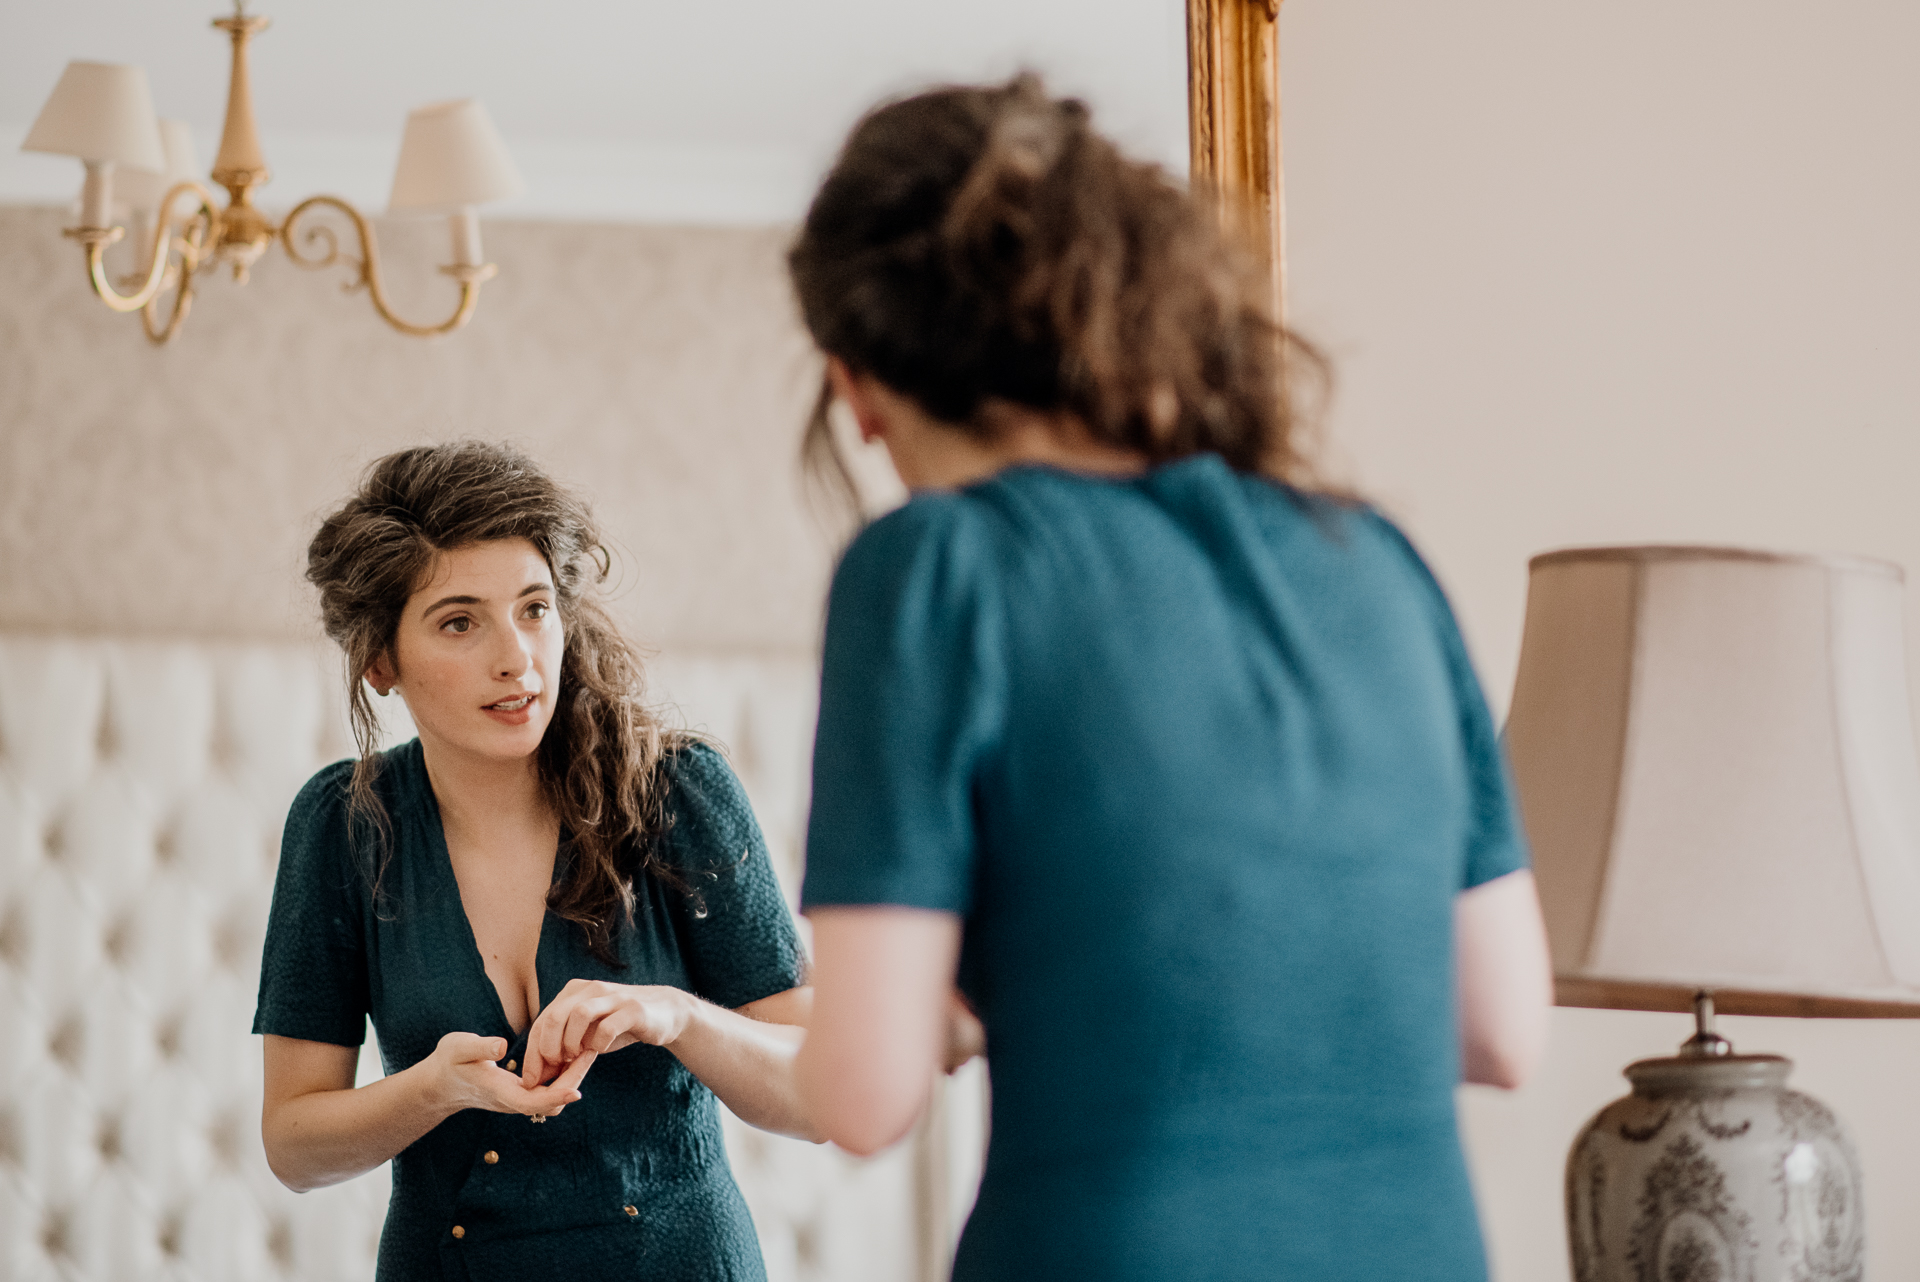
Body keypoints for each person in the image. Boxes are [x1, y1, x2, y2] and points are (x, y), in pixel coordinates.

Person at [788, 75, 1554, 1282]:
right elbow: (1501, 1025)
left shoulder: (936, 564)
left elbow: (865, 1093)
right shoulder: (1378, 557)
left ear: (860, 388)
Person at [254, 442, 813, 1282]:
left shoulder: (678, 792)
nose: (515, 656)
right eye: (459, 621)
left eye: (534, 608)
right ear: (381, 661)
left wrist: (677, 1016)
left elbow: (818, 1093)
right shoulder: (342, 827)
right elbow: (294, 1147)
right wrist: (434, 1090)